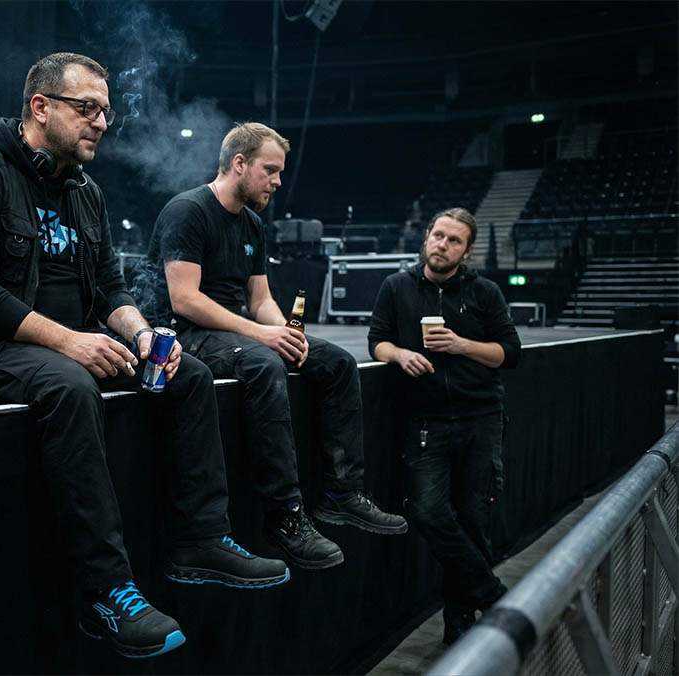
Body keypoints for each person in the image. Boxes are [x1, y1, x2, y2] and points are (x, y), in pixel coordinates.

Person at [0, 53, 287, 660]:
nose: (101, 123)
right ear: (41, 107)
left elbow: (111, 288)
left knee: (184, 372)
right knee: (71, 385)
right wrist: (68, 340)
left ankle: (200, 539)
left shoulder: (85, 192)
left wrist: (140, 334)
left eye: (106, 112)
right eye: (87, 109)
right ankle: (105, 589)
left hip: (71, 335)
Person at [147, 122, 408, 571]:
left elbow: (261, 301)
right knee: (265, 363)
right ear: (239, 164)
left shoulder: (252, 223)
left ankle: (342, 493)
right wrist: (262, 335)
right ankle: (285, 517)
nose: (278, 181)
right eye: (270, 170)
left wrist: (288, 331)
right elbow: (184, 299)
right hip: (182, 332)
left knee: (337, 361)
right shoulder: (188, 211)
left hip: (233, 330)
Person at [368, 206, 521, 644]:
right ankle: (491, 594)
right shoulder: (396, 286)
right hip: (426, 422)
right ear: (426, 238)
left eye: (454, 240)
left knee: (474, 520)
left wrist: (462, 345)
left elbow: (510, 354)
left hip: (480, 419)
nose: (443, 245)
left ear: (466, 250)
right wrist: (398, 354)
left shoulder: (485, 292)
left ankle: (459, 627)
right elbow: (376, 340)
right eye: (438, 236)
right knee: (429, 513)